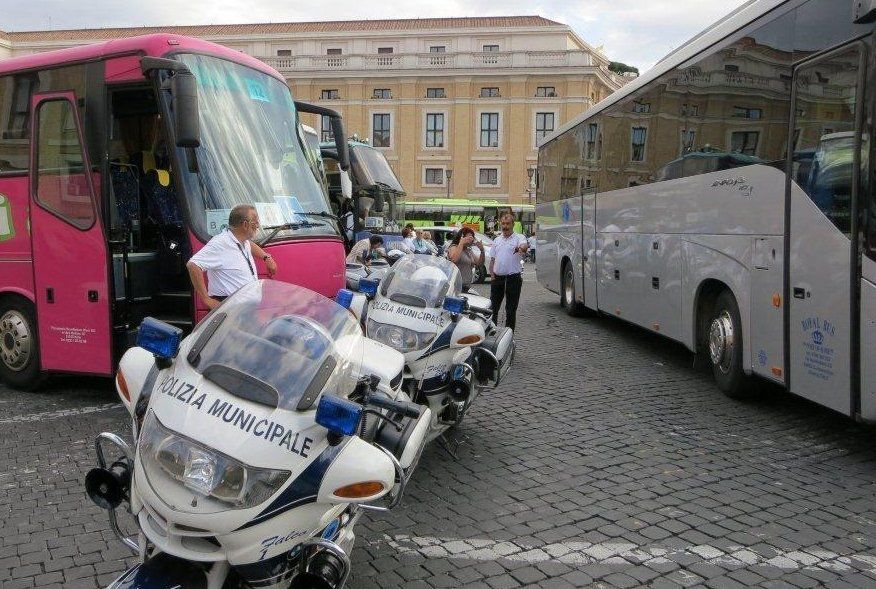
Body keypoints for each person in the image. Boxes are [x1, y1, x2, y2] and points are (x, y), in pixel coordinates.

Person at [187, 204, 277, 310]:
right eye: (255, 222)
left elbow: (249, 244)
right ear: (245, 224)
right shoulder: (220, 243)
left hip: (246, 309)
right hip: (229, 309)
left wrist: (266, 257)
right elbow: (193, 265)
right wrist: (206, 299)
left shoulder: (242, 240)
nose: (258, 226)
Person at [489, 212, 527, 330]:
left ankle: (509, 334)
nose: (505, 226)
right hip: (497, 278)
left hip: (513, 279)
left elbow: (524, 246)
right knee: (493, 308)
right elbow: (492, 259)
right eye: (503, 223)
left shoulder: (519, 237)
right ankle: (492, 332)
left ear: (513, 224)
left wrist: (521, 248)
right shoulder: (497, 240)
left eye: (508, 223)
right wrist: (492, 275)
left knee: (510, 310)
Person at [447, 227, 485, 292]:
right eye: (468, 237)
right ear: (461, 237)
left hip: (466, 286)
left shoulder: (468, 250)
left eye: (472, 237)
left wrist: (482, 251)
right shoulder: (454, 247)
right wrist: (461, 243)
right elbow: (454, 259)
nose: (471, 240)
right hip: (455, 286)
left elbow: (479, 263)